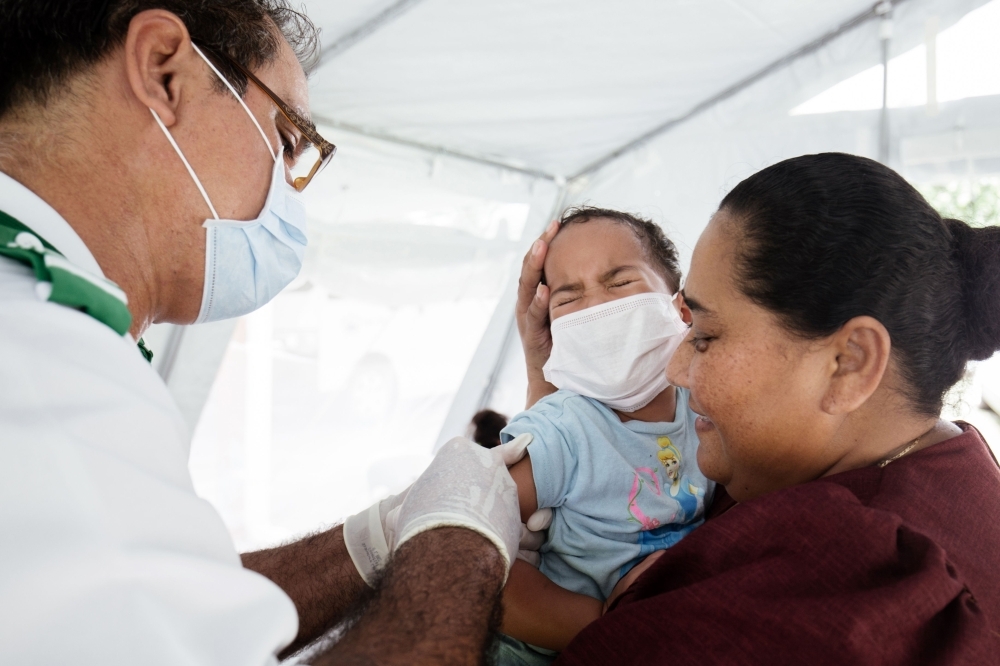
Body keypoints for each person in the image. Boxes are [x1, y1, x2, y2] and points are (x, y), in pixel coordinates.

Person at [0, 2, 533, 663]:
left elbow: (174, 609)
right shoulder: (43, 375)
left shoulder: (43, 331)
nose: (290, 192)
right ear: (165, 72)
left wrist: (378, 537)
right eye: (285, 139)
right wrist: (459, 545)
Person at [514, 153, 1000, 664]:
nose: (676, 369)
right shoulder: (940, 462)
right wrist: (542, 373)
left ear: (849, 363)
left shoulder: (845, 585)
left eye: (703, 336)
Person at [494, 207, 713, 663]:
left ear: (680, 304)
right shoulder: (563, 429)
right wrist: (602, 622)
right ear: (551, 329)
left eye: (619, 283)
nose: (596, 306)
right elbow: (466, 546)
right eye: (568, 299)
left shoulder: (708, 413)